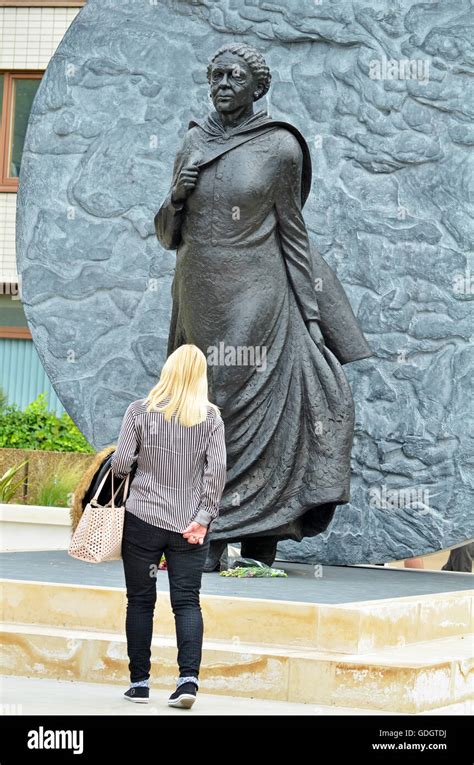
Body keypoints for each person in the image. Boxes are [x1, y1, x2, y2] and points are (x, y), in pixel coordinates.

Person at [154, 42, 372, 573]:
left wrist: (313, 319)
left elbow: (293, 237)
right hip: (197, 295)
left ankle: (252, 538)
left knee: (243, 405)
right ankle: (199, 535)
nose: (223, 83)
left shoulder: (280, 148)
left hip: (258, 295)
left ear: (258, 88)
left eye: (234, 76)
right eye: (216, 75)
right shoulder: (193, 141)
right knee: (196, 409)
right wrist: (176, 196)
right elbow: (167, 236)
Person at [111, 344, 227, 708]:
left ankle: (140, 684)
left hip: (143, 520)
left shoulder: (139, 411)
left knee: (140, 601)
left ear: (167, 372)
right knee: (187, 603)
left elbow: (120, 464)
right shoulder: (210, 418)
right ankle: (188, 682)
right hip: (189, 527)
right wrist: (203, 518)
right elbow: (217, 472)